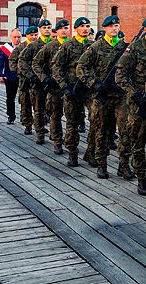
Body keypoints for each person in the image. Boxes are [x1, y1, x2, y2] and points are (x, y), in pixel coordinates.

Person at [116, 13, 146, 194]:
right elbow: (120, 75)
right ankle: (142, 178)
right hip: (139, 104)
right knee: (138, 142)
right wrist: (134, 95)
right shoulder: (134, 48)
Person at [77, 15, 128, 180]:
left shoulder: (125, 48)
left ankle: (124, 164)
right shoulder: (95, 47)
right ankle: (102, 164)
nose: (114, 29)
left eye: (117, 26)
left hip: (121, 96)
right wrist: (94, 83)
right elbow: (82, 67)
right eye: (111, 26)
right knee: (101, 130)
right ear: (105, 28)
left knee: (125, 130)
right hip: (102, 96)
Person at [54, 17, 93, 167]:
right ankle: (72, 152)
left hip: (89, 88)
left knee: (96, 120)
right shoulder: (67, 46)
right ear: (76, 29)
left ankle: (91, 150)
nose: (85, 29)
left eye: (87, 26)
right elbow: (57, 68)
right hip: (72, 88)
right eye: (82, 26)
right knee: (72, 122)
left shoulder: (93, 45)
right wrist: (64, 87)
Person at [34, 19, 70, 155]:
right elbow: (36, 63)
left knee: (73, 118)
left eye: (66, 28)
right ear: (57, 31)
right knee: (55, 115)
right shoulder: (50, 46)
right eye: (60, 29)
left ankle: (71, 143)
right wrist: (45, 79)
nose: (63, 31)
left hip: (71, 86)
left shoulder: (72, 45)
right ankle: (57, 141)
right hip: (54, 87)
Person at [20, 19, 52, 144]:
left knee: (52, 110)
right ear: (40, 30)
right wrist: (31, 76)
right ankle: (39, 132)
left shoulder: (55, 45)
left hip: (51, 82)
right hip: (37, 83)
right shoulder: (33, 45)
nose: (47, 30)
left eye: (49, 27)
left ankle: (52, 131)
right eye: (44, 28)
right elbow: (22, 62)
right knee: (38, 109)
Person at [10, 25, 37, 135]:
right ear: (27, 36)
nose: (34, 37)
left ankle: (40, 124)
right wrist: (20, 71)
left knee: (39, 104)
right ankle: (27, 124)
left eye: (35, 35)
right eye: (31, 35)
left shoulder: (40, 46)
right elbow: (12, 61)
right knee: (25, 103)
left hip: (37, 79)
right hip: (25, 80)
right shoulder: (21, 47)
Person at [0, 29, 21, 124]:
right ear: (11, 37)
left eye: (18, 37)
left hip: (23, 76)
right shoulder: (5, 49)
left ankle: (25, 117)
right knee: (10, 98)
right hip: (10, 76)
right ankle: (11, 116)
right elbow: (0, 63)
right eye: (15, 37)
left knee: (24, 98)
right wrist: (0, 75)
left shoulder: (25, 47)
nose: (17, 39)